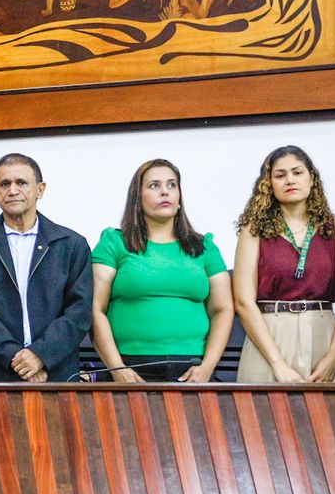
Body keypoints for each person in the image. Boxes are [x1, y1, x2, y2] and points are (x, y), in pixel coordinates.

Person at [91, 159, 234, 381]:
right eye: (154, 185)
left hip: (193, 369)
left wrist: (207, 367)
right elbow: (95, 308)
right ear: (137, 200)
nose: (165, 192)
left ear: (179, 199)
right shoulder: (114, 242)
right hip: (129, 368)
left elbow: (223, 309)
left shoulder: (205, 247)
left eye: (171, 185)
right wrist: (117, 368)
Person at [0, 153, 92, 382]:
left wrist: (41, 355)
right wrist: (17, 358)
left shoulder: (71, 245)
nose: (12, 190)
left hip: (55, 373)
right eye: (4, 184)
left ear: (40, 189)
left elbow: (78, 312)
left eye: (21, 183)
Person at [232, 146, 335, 383]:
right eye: (280, 175)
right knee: (264, 418)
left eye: (297, 172)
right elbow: (243, 302)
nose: (290, 180)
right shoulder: (253, 230)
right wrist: (277, 363)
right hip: (270, 338)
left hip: (324, 336)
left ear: (311, 177)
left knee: (329, 418)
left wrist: (334, 356)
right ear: (269, 184)